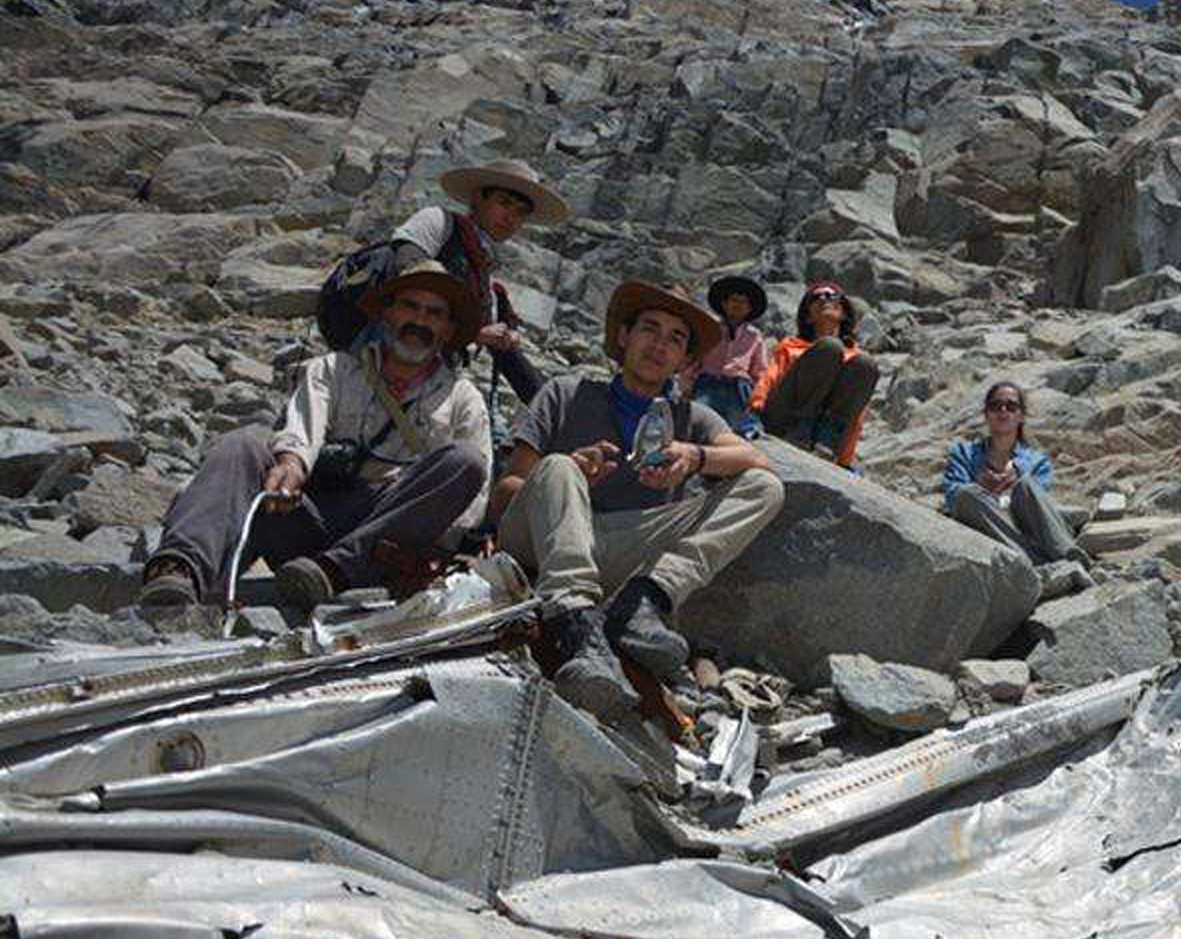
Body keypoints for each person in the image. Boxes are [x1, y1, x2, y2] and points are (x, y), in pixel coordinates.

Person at [491, 278, 784, 719]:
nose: (659, 345)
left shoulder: (692, 417)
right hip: (545, 543)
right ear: (623, 336)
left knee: (765, 486)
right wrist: (570, 474)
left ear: (686, 359)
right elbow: (504, 497)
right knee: (556, 467)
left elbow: (755, 458)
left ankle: (646, 601)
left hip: (626, 548)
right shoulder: (565, 393)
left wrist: (694, 456)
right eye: (649, 328)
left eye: (676, 338)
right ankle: (573, 625)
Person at [139, 262, 491, 612]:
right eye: (409, 306)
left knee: (465, 461)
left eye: (434, 313)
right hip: (308, 510)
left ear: (447, 330)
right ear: (386, 313)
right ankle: (179, 570)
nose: (420, 320)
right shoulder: (334, 369)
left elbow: (472, 500)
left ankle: (332, 571)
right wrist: (291, 465)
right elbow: (302, 427)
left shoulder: (463, 398)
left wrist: (431, 548)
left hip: (385, 539)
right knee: (242, 446)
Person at [391, 158, 569, 410]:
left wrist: (554, 414)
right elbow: (406, 280)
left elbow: (509, 361)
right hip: (383, 365)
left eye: (520, 212)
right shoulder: (436, 224)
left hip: (428, 388)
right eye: (504, 203)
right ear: (478, 197)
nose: (511, 217)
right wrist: (473, 334)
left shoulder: (487, 285)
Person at [941, 381, 1088, 591]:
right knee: (967, 493)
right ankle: (1039, 567)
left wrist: (1011, 488)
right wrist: (984, 488)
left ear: (1020, 416)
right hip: (985, 524)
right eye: (996, 405)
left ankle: (1070, 558)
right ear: (986, 414)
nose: (1003, 411)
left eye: (1011, 406)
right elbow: (952, 496)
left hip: (1020, 524)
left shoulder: (1037, 461)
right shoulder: (963, 453)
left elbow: (1040, 506)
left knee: (1026, 484)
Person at [749, 280, 878, 467]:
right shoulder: (790, 346)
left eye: (833, 296)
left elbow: (855, 414)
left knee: (866, 364)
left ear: (843, 313)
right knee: (829, 347)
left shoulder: (855, 360)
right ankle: (798, 433)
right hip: (783, 419)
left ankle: (827, 444)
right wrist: (754, 413)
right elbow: (769, 379)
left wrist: (845, 461)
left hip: (823, 432)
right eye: (816, 297)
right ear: (808, 317)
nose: (825, 299)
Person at [683, 275, 770, 433]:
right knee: (699, 419)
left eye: (743, 302)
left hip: (739, 386)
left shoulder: (754, 336)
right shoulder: (710, 329)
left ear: (749, 309)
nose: (738, 305)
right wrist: (687, 384)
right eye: (733, 300)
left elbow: (760, 371)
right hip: (709, 382)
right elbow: (696, 359)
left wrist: (759, 396)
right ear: (724, 304)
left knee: (740, 425)